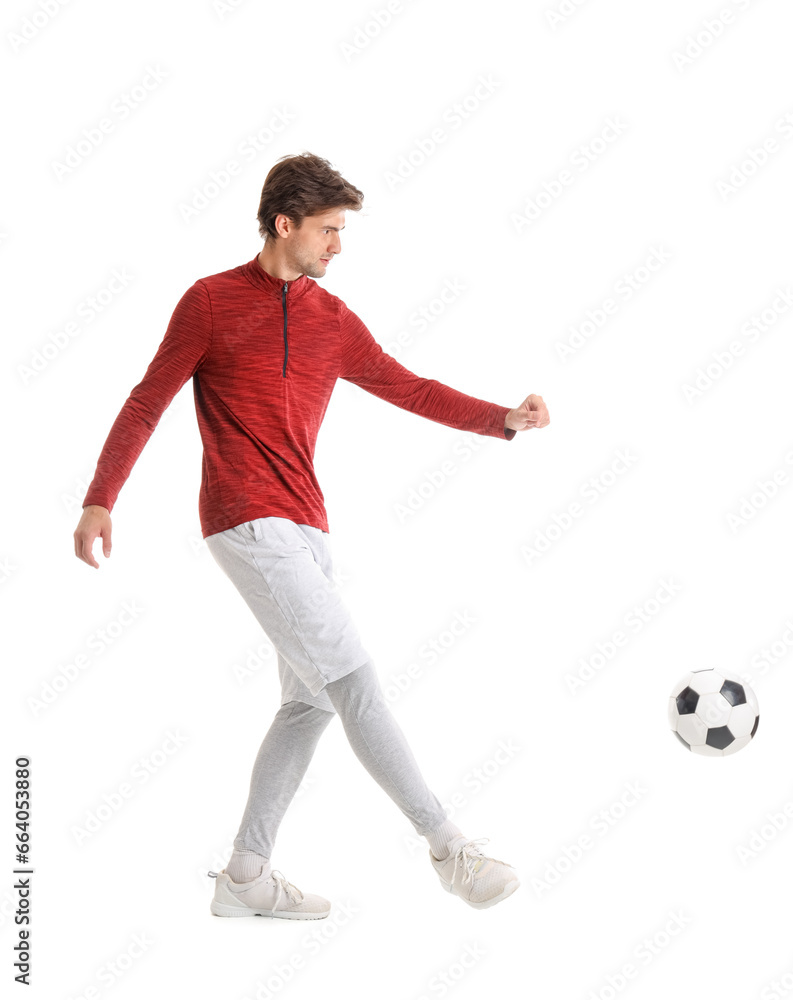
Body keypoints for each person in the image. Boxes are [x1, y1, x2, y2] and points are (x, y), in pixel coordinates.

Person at [73, 151, 550, 919]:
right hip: (244, 517)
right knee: (355, 677)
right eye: (328, 230)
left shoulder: (331, 319)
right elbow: (145, 401)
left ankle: (245, 878)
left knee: (310, 703)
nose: (338, 246)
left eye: (342, 231)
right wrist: (101, 497)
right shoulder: (209, 302)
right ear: (283, 223)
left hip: (306, 526)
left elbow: (407, 385)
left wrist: (501, 418)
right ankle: (449, 850)